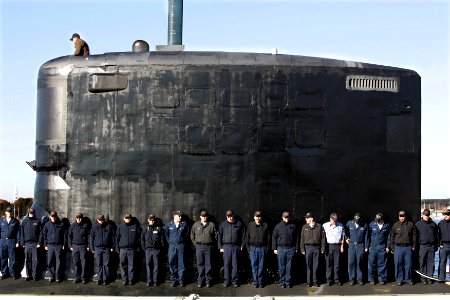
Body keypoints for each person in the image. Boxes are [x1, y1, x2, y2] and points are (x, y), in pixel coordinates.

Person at [218, 210, 245, 288]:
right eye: (228, 216)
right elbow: (219, 236)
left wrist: (242, 245)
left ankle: (235, 281)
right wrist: (220, 247)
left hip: (236, 247)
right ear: (226, 216)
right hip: (226, 247)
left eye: (231, 216)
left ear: (233, 216)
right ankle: (226, 281)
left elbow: (244, 235)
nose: (230, 218)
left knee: (235, 265)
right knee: (226, 265)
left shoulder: (239, 224)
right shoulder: (223, 224)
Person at [190, 210, 217, 288]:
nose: (204, 217)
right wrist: (196, 245)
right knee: (200, 265)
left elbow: (216, 236)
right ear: (200, 217)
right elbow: (192, 236)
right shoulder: (196, 225)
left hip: (208, 247)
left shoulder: (211, 225)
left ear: (207, 217)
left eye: (205, 216)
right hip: (199, 247)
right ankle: (200, 281)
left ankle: (208, 281)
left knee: (208, 265)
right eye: (202, 216)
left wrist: (211, 245)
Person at [272, 211, 298, 288]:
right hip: (281, 248)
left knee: (289, 266)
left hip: (290, 248)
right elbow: (274, 237)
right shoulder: (278, 226)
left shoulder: (293, 226)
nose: (286, 218)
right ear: (282, 217)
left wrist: (296, 248)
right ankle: (282, 281)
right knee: (281, 266)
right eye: (285, 217)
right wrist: (274, 248)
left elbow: (297, 237)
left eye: (288, 217)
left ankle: (288, 281)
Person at [390, 210, 416, 286]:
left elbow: (414, 236)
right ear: (399, 216)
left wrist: (414, 246)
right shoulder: (395, 225)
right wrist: (392, 247)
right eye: (400, 216)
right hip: (398, 248)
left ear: (405, 217)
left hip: (408, 248)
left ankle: (408, 279)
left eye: (403, 216)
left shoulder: (410, 224)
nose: (402, 218)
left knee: (408, 265)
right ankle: (399, 280)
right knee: (398, 265)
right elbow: (391, 237)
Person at [245, 211, 270, 288]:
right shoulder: (250, 225)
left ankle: (260, 281)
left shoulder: (265, 225)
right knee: (254, 265)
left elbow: (268, 238)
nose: (258, 218)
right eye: (256, 216)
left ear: (261, 217)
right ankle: (255, 281)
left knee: (261, 266)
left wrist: (267, 249)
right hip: (253, 248)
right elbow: (247, 238)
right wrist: (249, 250)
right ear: (254, 217)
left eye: (259, 216)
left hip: (262, 248)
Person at [165, 210, 189, 287]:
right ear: (174, 216)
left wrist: (181, 241)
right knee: (172, 263)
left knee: (181, 264)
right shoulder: (169, 224)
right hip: (172, 246)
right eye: (179, 216)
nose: (181, 217)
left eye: (181, 216)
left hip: (180, 246)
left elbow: (186, 234)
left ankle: (181, 280)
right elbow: (166, 235)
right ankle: (173, 280)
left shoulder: (184, 224)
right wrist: (171, 242)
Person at [300, 212, 325, 287]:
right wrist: (302, 249)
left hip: (316, 248)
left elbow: (323, 238)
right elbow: (302, 239)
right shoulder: (304, 227)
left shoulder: (319, 226)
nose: (306, 219)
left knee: (316, 265)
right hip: (308, 248)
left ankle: (315, 281)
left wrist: (322, 248)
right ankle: (309, 281)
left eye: (307, 218)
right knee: (308, 265)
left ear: (311, 218)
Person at [41, 211, 68, 283]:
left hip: (58, 246)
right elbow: (44, 235)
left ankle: (57, 276)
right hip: (50, 245)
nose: (53, 217)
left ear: (56, 216)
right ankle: (51, 276)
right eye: (52, 216)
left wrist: (64, 244)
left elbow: (65, 235)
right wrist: (45, 245)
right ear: (50, 216)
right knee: (50, 261)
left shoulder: (61, 224)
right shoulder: (47, 224)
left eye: (54, 216)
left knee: (58, 262)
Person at [115, 213, 141, 285]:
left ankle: (131, 280)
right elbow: (116, 238)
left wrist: (138, 248)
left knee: (131, 265)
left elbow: (139, 238)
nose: (127, 219)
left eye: (129, 218)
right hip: (122, 250)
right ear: (124, 219)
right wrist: (117, 248)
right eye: (126, 218)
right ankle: (124, 279)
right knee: (123, 265)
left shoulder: (135, 226)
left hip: (132, 250)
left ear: (131, 218)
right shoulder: (120, 227)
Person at [89, 214, 115, 285]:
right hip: (97, 249)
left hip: (106, 248)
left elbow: (113, 237)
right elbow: (91, 238)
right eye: (100, 220)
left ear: (104, 219)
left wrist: (112, 246)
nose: (101, 221)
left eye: (102, 220)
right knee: (99, 264)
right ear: (97, 220)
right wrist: (92, 248)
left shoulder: (109, 226)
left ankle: (105, 279)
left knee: (106, 264)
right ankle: (99, 279)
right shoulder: (94, 227)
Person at [415, 208, 439, 284]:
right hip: (422, 246)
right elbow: (415, 236)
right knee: (422, 262)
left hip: (431, 246)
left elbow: (436, 236)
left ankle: (429, 278)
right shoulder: (418, 224)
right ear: (423, 215)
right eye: (425, 215)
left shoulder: (433, 224)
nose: (427, 216)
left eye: (428, 215)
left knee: (431, 262)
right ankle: (423, 278)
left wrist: (437, 245)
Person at [141, 214, 165, 287]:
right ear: (148, 220)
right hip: (148, 250)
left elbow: (162, 240)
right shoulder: (145, 229)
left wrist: (159, 248)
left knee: (156, 266)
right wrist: (144, 249)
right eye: (150, 220)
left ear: (154, 220)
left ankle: (155, 281)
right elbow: (142, 240)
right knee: (148, 265)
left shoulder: (159, 228)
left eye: (153, 220)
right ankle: (149, 281)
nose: (152, 221)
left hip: (156, 250)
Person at [345, 212, 369, 286]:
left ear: (361, 219)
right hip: (351, 245)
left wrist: (366, 247)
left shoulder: (364, 225)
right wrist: (346, 238)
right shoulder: (349, 223)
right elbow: (345, 231)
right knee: (351, 263)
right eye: (356, 221)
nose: (357, 222)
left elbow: (366, 237)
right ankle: (352, 279)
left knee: (359, 263)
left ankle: (359, 279)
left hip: (360, 245)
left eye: (358, 221)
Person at [18, 207, 42, 281]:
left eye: (32, 213)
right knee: (28, 260)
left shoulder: (37, 221)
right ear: (28, 213)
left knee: (35, 260)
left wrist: (39, 243)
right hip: (27, 243)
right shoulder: (24, 221)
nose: (31, 214)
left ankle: (35, 275)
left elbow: (41, 233)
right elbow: (21, 233)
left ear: (34, 213)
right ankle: (29, 275)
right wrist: (22, 243)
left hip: (35, 244)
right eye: (30, 213)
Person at [367, 212, 391, 285]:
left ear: (382, 219)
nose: (377, 221)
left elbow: (389, 237)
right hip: (373, 246)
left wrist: (387, 246)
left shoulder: (386, 225)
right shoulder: (372, 224)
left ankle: (381, 279)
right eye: (376, 219)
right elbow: (367, 236)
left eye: (379, 219)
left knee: (382, 263)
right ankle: (372, 279)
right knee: (372, 263)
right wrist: (368, 246)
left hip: (382, 246)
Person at [322, 213, 345, 286]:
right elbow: (323, 237)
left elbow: (343, 237)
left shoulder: (340, 225)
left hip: (337, 246)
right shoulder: (325, 226)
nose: (334, 222)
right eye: (333, 220)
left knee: (337, 264)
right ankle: (329, 280)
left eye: (336, 220)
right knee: (329, 264)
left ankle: (336, 279)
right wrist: (323, 247)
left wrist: (342, 246)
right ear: (330, 219)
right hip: (329, 246)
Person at [68, 213, 90, 284]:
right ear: (75, 218)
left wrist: (88, 246)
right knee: (76, 262)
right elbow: (69, 236)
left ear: (82, 218)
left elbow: (89, 236)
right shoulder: (72, 226)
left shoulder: (85, 226)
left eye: (80, 218)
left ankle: (83, 278)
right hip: (75, 246)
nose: (78, 219)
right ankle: (77, 277)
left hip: (83, 246)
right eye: (77, 218)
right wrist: (70, 246)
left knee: (83, 262)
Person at [0, 207, 20, 279]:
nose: (9, 213)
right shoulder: (1, 221)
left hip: (12, 241)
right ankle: (4, 273)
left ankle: (12, 273)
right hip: (3, 241)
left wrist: (18, 242)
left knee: (12, 258)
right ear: (5, 212)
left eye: (10, 212)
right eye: (8, 212)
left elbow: (18, 232)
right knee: (3, 258)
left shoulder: (15, 221)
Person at [438, 209, 450, 282]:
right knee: (442, 262)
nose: (445, 216)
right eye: (444, 214)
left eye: (447, 214)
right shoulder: (440, 223)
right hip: (444, 246)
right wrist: (440, 244)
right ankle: (441, 278)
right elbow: (437, 235)